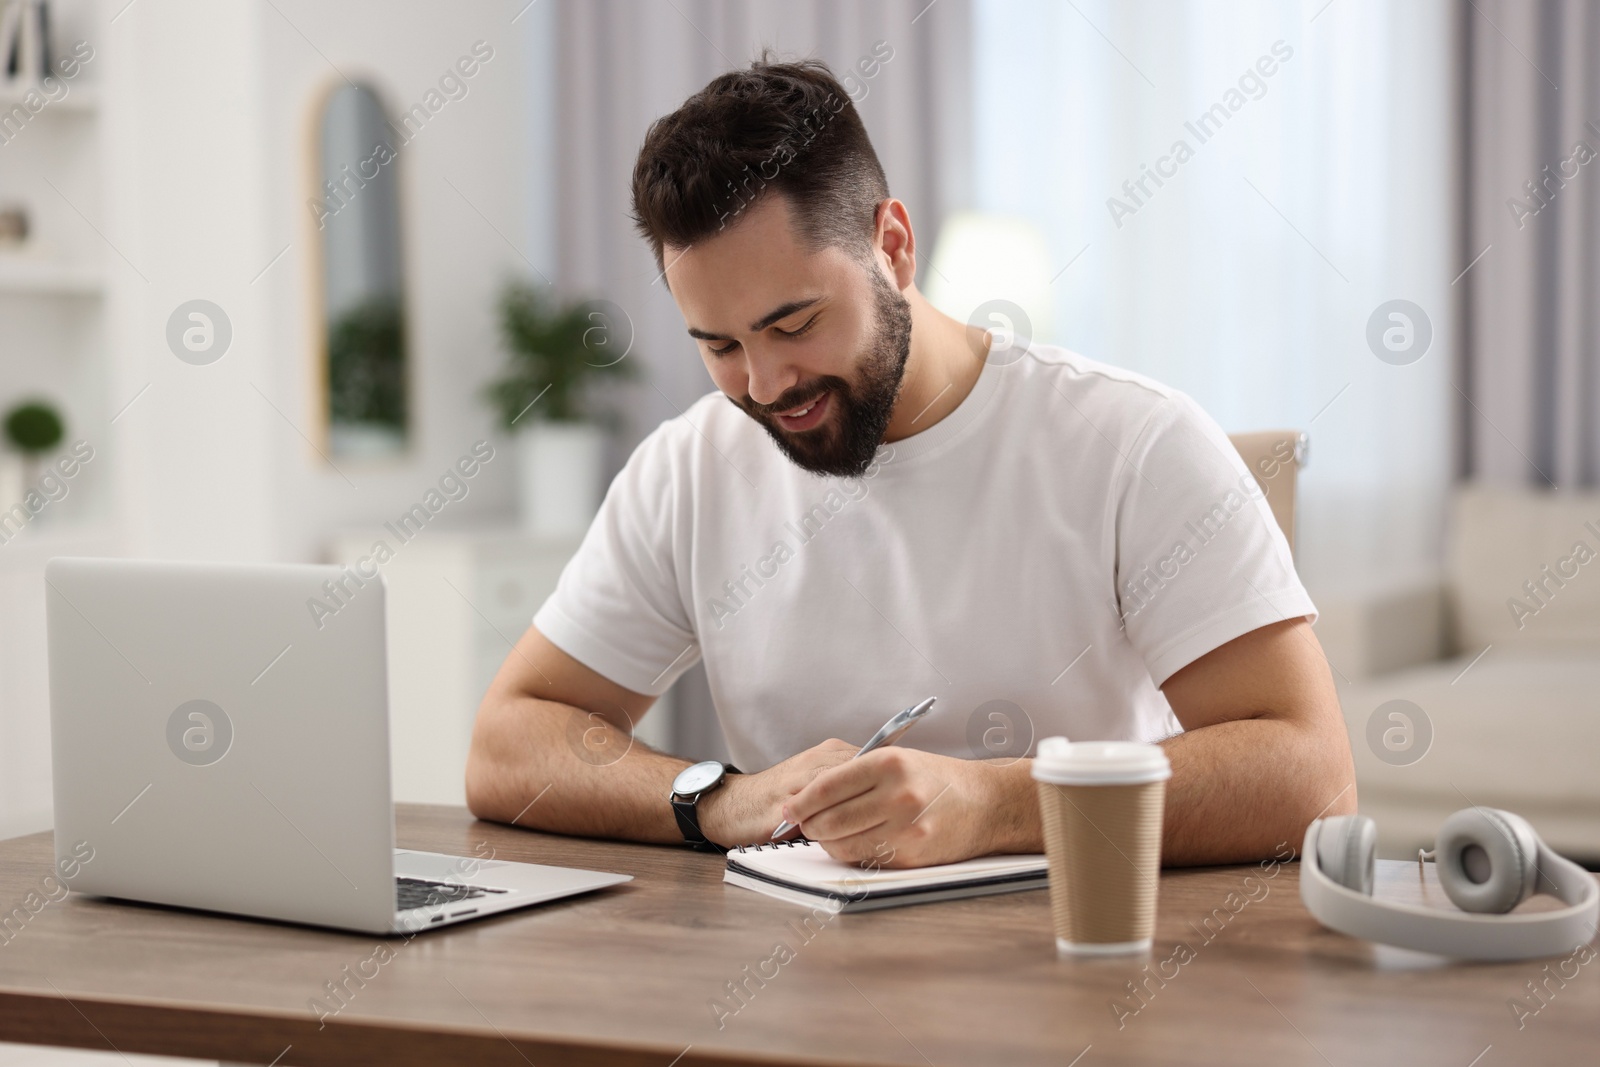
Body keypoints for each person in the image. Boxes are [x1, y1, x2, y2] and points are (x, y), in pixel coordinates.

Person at [466, 57, 1355, 868]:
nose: (767, 383)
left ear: (892, 246)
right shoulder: (688, 469)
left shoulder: (1132, 442)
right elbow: (508, 744)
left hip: (1080, 983)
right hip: (798, 996)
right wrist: (721, 799)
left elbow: (1310, 773)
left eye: (794, 323)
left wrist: (997, 803)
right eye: (720, 344)